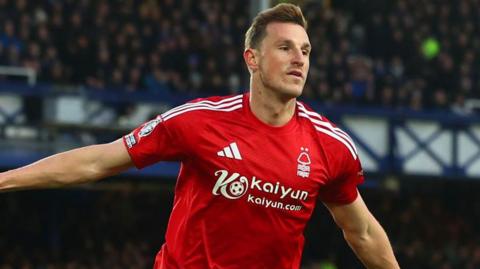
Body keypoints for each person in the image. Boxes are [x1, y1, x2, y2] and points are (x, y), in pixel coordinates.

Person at [0, 4, 400, 269]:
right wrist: (5, 180)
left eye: (306, 50)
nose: (299, 59)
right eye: (285, 47)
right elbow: (97, 161)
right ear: (253, 59)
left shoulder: (330, 146)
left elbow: (360, 230)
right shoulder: (199, 122)